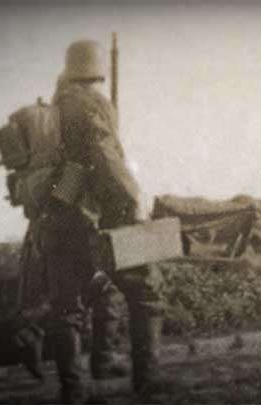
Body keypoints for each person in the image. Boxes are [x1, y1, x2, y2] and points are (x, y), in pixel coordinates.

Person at [38, 39, 166, 403]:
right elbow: (105, 156)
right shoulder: (92, 103)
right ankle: (148, 382)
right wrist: (134, 198)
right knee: (147, 292)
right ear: (97, 72)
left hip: (60, 216)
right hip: (100, 215)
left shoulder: (55, 107)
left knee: (67, 308)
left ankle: (73, 393)